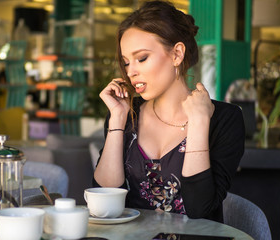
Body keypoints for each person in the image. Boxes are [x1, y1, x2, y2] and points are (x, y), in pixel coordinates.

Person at [93, 0, 245, 223]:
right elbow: (104, 202)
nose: (131, 71)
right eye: (126, 62)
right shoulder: (126, 114)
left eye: (142, 58)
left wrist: (199, 121)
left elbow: (199, 209)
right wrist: (117, 119)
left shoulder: (225, 119)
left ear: (177, 54)